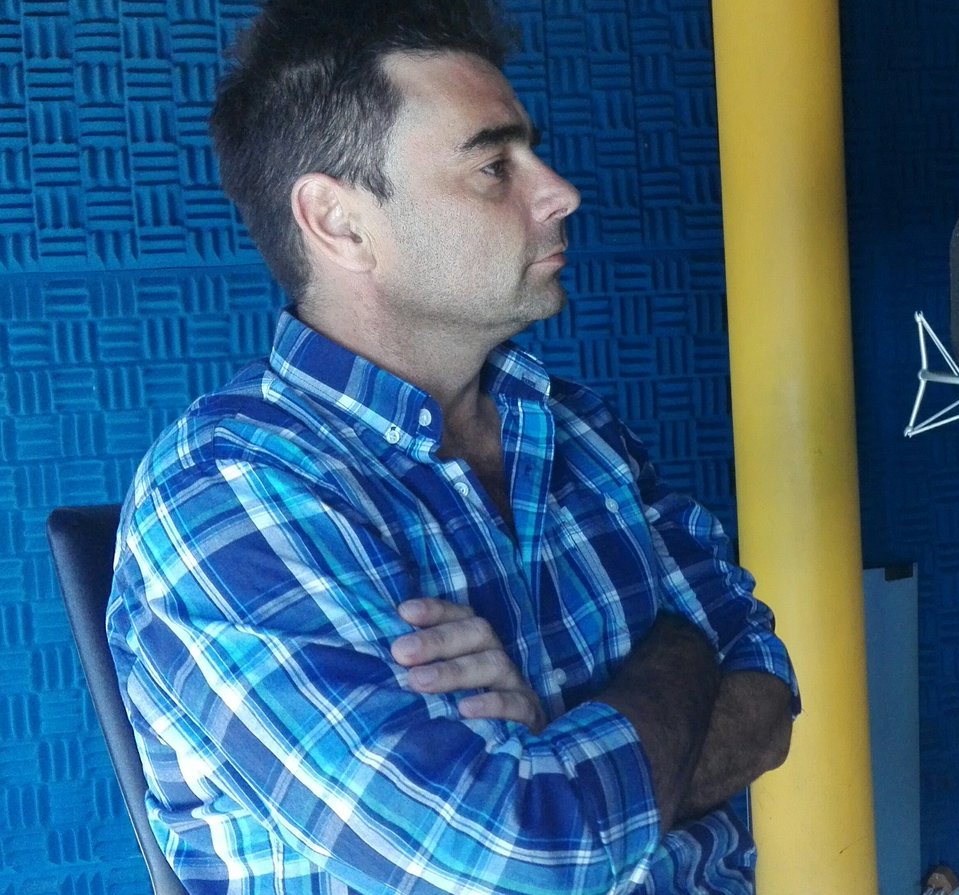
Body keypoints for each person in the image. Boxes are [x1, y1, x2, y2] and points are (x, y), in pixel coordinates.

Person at [107, 1, 798, 892]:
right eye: (493, 166)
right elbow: (521, 858)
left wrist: (555, 750)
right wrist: (682, 655)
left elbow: (768, 697)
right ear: (339, 221)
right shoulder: (231, 490)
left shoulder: (580, 431)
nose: (559, 192)